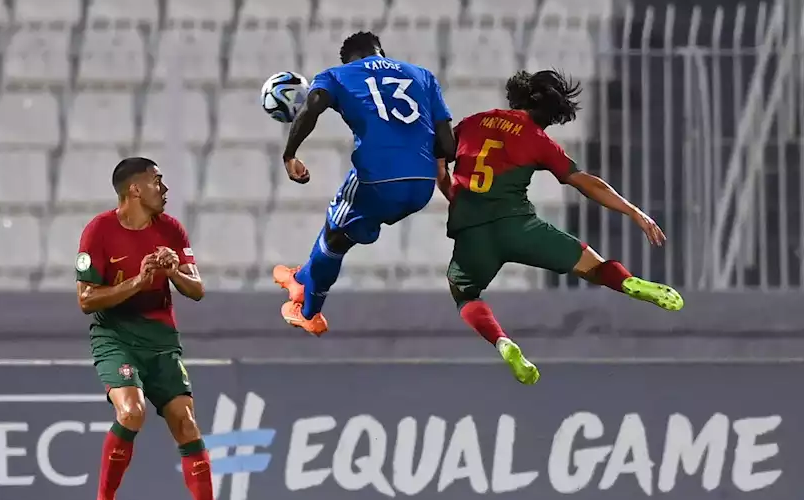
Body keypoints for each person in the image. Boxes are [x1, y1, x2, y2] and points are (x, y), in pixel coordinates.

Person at [441, 69, 684, 384]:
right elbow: (585, 183)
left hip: (472, 232)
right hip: (519, 227)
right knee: (593, 266)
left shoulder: (474, 122)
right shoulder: (537, 138)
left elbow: (439, 155)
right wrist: (634, 211)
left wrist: (449, 188)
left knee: (464, 293)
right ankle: (628, 283)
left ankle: (503, 342)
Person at [74, 157, 230, 500]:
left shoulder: (171, 229)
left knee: (186, 422)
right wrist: (140, 282)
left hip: (161, 339)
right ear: (135, 189)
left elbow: (196, 290)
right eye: (157, 180)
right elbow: (86, 300)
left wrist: (172, 271)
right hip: (116, 335)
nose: (165, 188)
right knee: (131, 411)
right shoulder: (99, 232)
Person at [274, 31, 456, 335]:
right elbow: (448, 146)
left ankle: (308, 310)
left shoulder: (338, 75)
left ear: (349, 59)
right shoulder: (423, 76)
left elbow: (315, 101)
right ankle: (303, 277)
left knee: (333, 232)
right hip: (422, 186)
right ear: (380, 51)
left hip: (379, 178)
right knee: (345, 233)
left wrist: (289, 154)